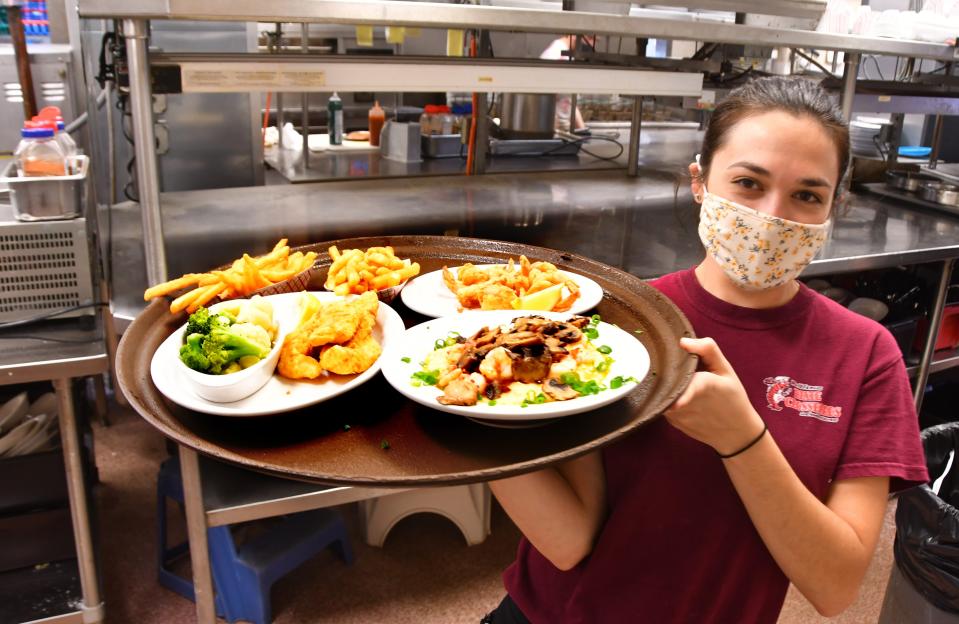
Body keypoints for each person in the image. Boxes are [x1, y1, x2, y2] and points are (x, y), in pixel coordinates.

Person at [482, 76, 929, 624]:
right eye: (748, 183)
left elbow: (835, 586)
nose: (772, 217)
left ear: (835, 208)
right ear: (700, 182)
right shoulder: (618, 321)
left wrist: (742, 439)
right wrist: (467, 402)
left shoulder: (864, 354)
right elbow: (570, 540)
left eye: (807, 195)